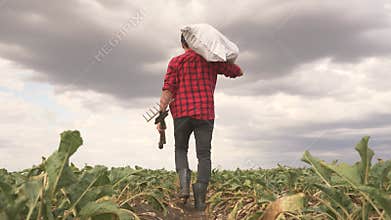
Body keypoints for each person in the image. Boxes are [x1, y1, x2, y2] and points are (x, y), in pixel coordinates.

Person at [157, 34, 243, 211]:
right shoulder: (211, 60)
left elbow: (168, 90)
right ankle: (200, 201)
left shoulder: (176, 62)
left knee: (181, 149)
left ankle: (183, 186)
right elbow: (237, 71)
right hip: (205, 113)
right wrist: (224, 56)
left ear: (183, 44)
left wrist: (161, 116)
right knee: (204, 154)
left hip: (181, 113)